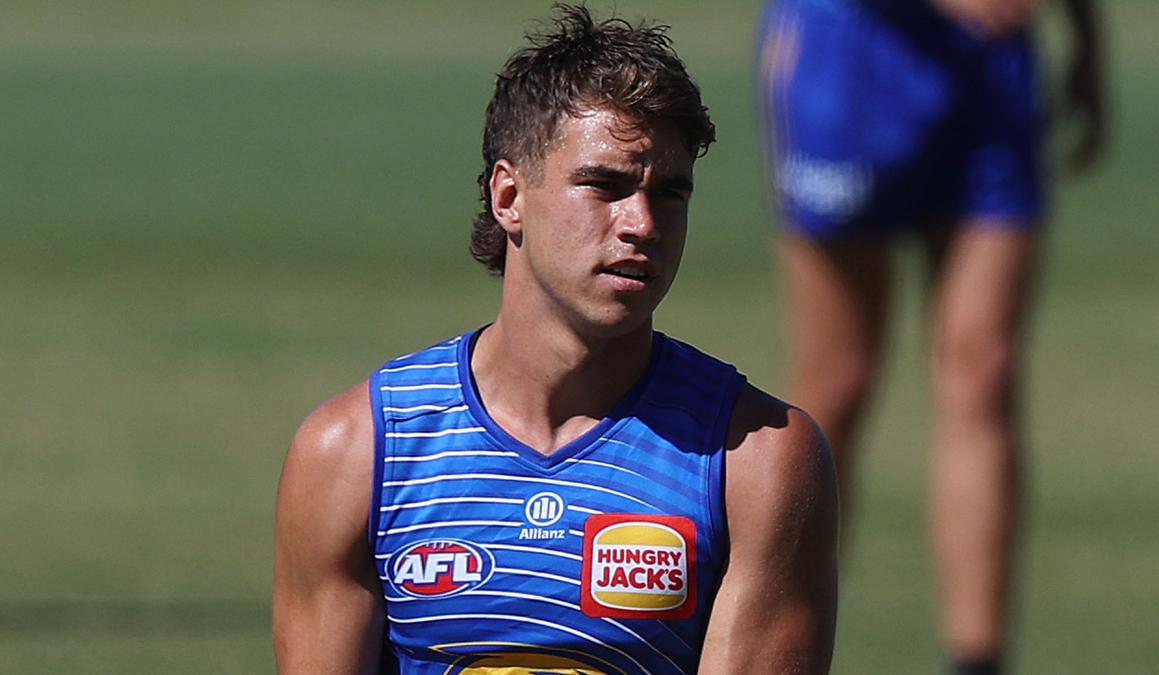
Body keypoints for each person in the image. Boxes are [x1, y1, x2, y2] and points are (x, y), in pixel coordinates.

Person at [273, 4, 839, 673]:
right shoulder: (358, 454)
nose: (642, 223)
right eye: (605, 184)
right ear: (509, 197)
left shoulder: (754, 461)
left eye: (670, 193)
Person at [758, 0, 1105, 672]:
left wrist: (1086, 36)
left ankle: (977, 660)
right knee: (839, 381)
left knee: (985, 368)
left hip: (992, 68)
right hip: (853, 53)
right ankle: (774, 646)